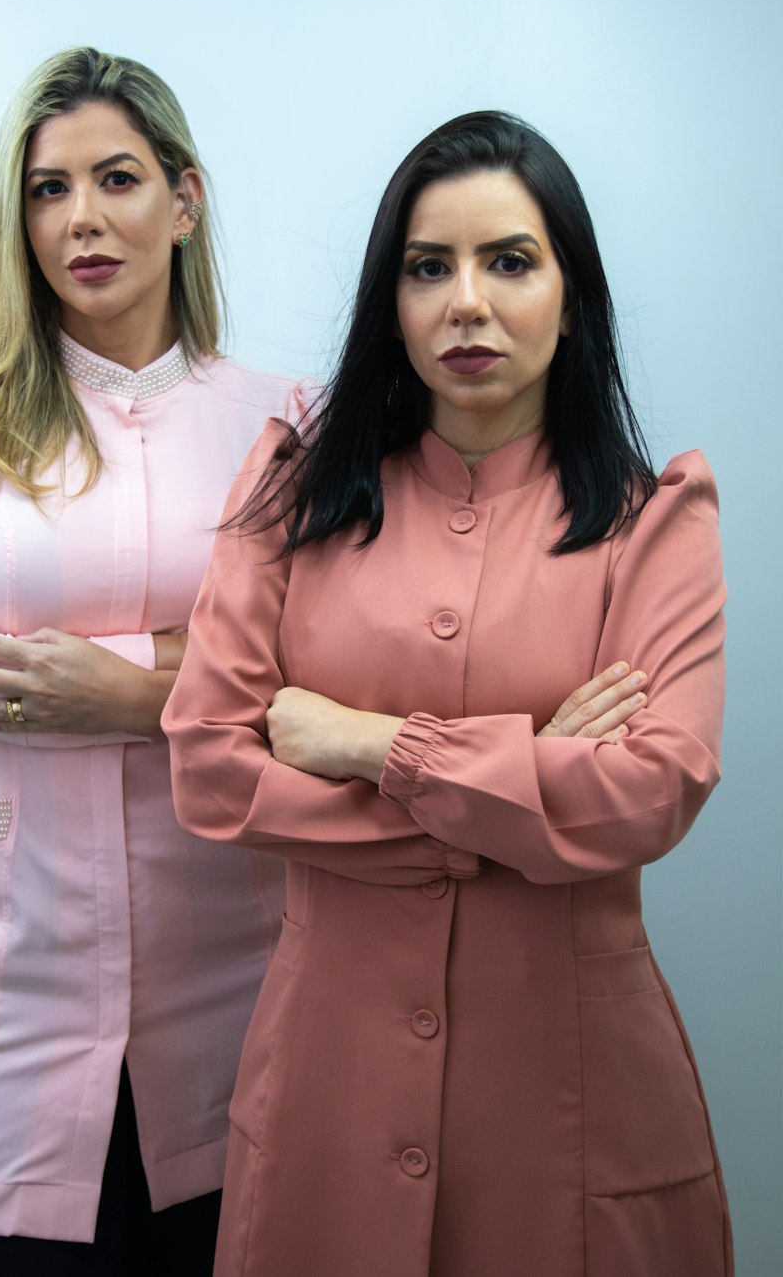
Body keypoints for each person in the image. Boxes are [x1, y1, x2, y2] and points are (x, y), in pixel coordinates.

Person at [164, 111, 732, 1277]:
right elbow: (212, 771)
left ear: (572, 297)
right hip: (331, 1084)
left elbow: (652, 790)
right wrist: (527, 779)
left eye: (509, 261)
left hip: (570, 1099)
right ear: (392, 301)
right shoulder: (289, 498)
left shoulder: (653, 523)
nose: (464, 302)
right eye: (428, 268)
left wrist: (368, 742)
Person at [0, 47, 314, 1275]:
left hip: (236, 971)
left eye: (116, 178)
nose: (81, 218)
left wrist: (122, 690)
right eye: (47, 189)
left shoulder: (285, 422)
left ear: (185, 197)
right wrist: (205, 674)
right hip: (12, 987)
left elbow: (322, 675)